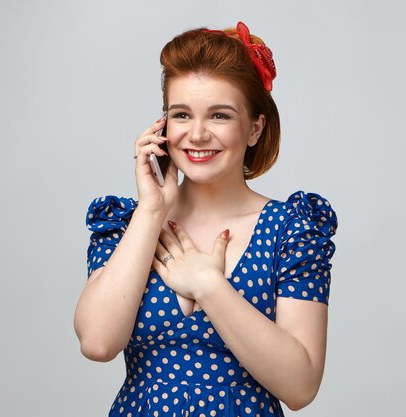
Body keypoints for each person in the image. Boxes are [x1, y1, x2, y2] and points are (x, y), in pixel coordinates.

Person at [74, 21, 338, 416]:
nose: (196, 134)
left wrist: (209, 286)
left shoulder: (292, 230)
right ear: (162, 125)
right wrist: (151, 210)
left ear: (254, 128)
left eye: (219, 116)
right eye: (182, 115)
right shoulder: (127, 224)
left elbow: (300, 387)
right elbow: (97, 342)